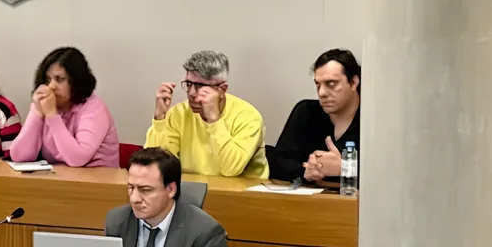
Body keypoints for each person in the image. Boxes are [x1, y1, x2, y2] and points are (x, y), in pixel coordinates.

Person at [106, 148, 229, 247]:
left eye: (145, 189)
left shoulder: (204, 232)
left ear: (171, 189)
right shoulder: (117, 221)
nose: (134, 198)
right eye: (131, 188)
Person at [146, 50, 268, 178]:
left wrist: (214, 120)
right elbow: (156, 166)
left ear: (222, 89)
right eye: (189, 84)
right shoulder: (178, 113)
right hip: (192, 187)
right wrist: (160, 119)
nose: (191, 93)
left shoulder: (249, 117)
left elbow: (231, 169)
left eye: (200, 86)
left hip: (242, 189)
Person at [10, 47, 120, 167]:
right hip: (60, 176)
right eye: (47, 80)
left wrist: (52, 115)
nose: (51, 86)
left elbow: (78, 159)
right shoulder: (46, 104)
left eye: (59, 79)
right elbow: (19, 156)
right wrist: (37, 111)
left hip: (97, 176)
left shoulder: (94, 109)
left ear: (76, 81)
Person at [267, 48, 361, 183]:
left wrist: (346, 168)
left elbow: (387, 174)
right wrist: (306, 171)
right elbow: (278, 162)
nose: (322, 93)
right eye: (318, 84)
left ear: (353, 82)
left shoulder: (374, 121)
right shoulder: (306, 112)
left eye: (331, 84)